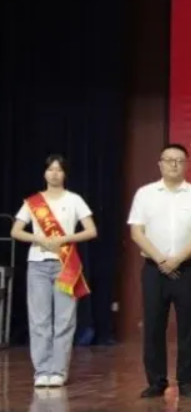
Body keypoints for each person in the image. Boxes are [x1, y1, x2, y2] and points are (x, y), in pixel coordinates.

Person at [128, 143, 191, 399]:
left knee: (189, 327)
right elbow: (136, 232)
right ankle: (156, 381)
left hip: (187, 268)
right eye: (168, 160)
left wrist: (177, 259)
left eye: (179, 160)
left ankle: (186, 381)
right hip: (154, 269)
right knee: (154, 326)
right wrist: (161, 259)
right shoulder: (145, 194)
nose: (174, 164)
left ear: (186, 165)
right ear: (160, 164)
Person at [10, 155, 98, 387]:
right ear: (44, 173)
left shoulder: (74, 199)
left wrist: (65, 239)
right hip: (37, 264)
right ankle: (42, 371)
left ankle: (58, 371)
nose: (54, 174)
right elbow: (16, 231)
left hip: (65, 264)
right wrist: (39, 238)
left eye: (59, 170)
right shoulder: (33, 202)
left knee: (64, 319)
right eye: (50, 169)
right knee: (39, 320)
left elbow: (91, 230)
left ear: (65, 173)